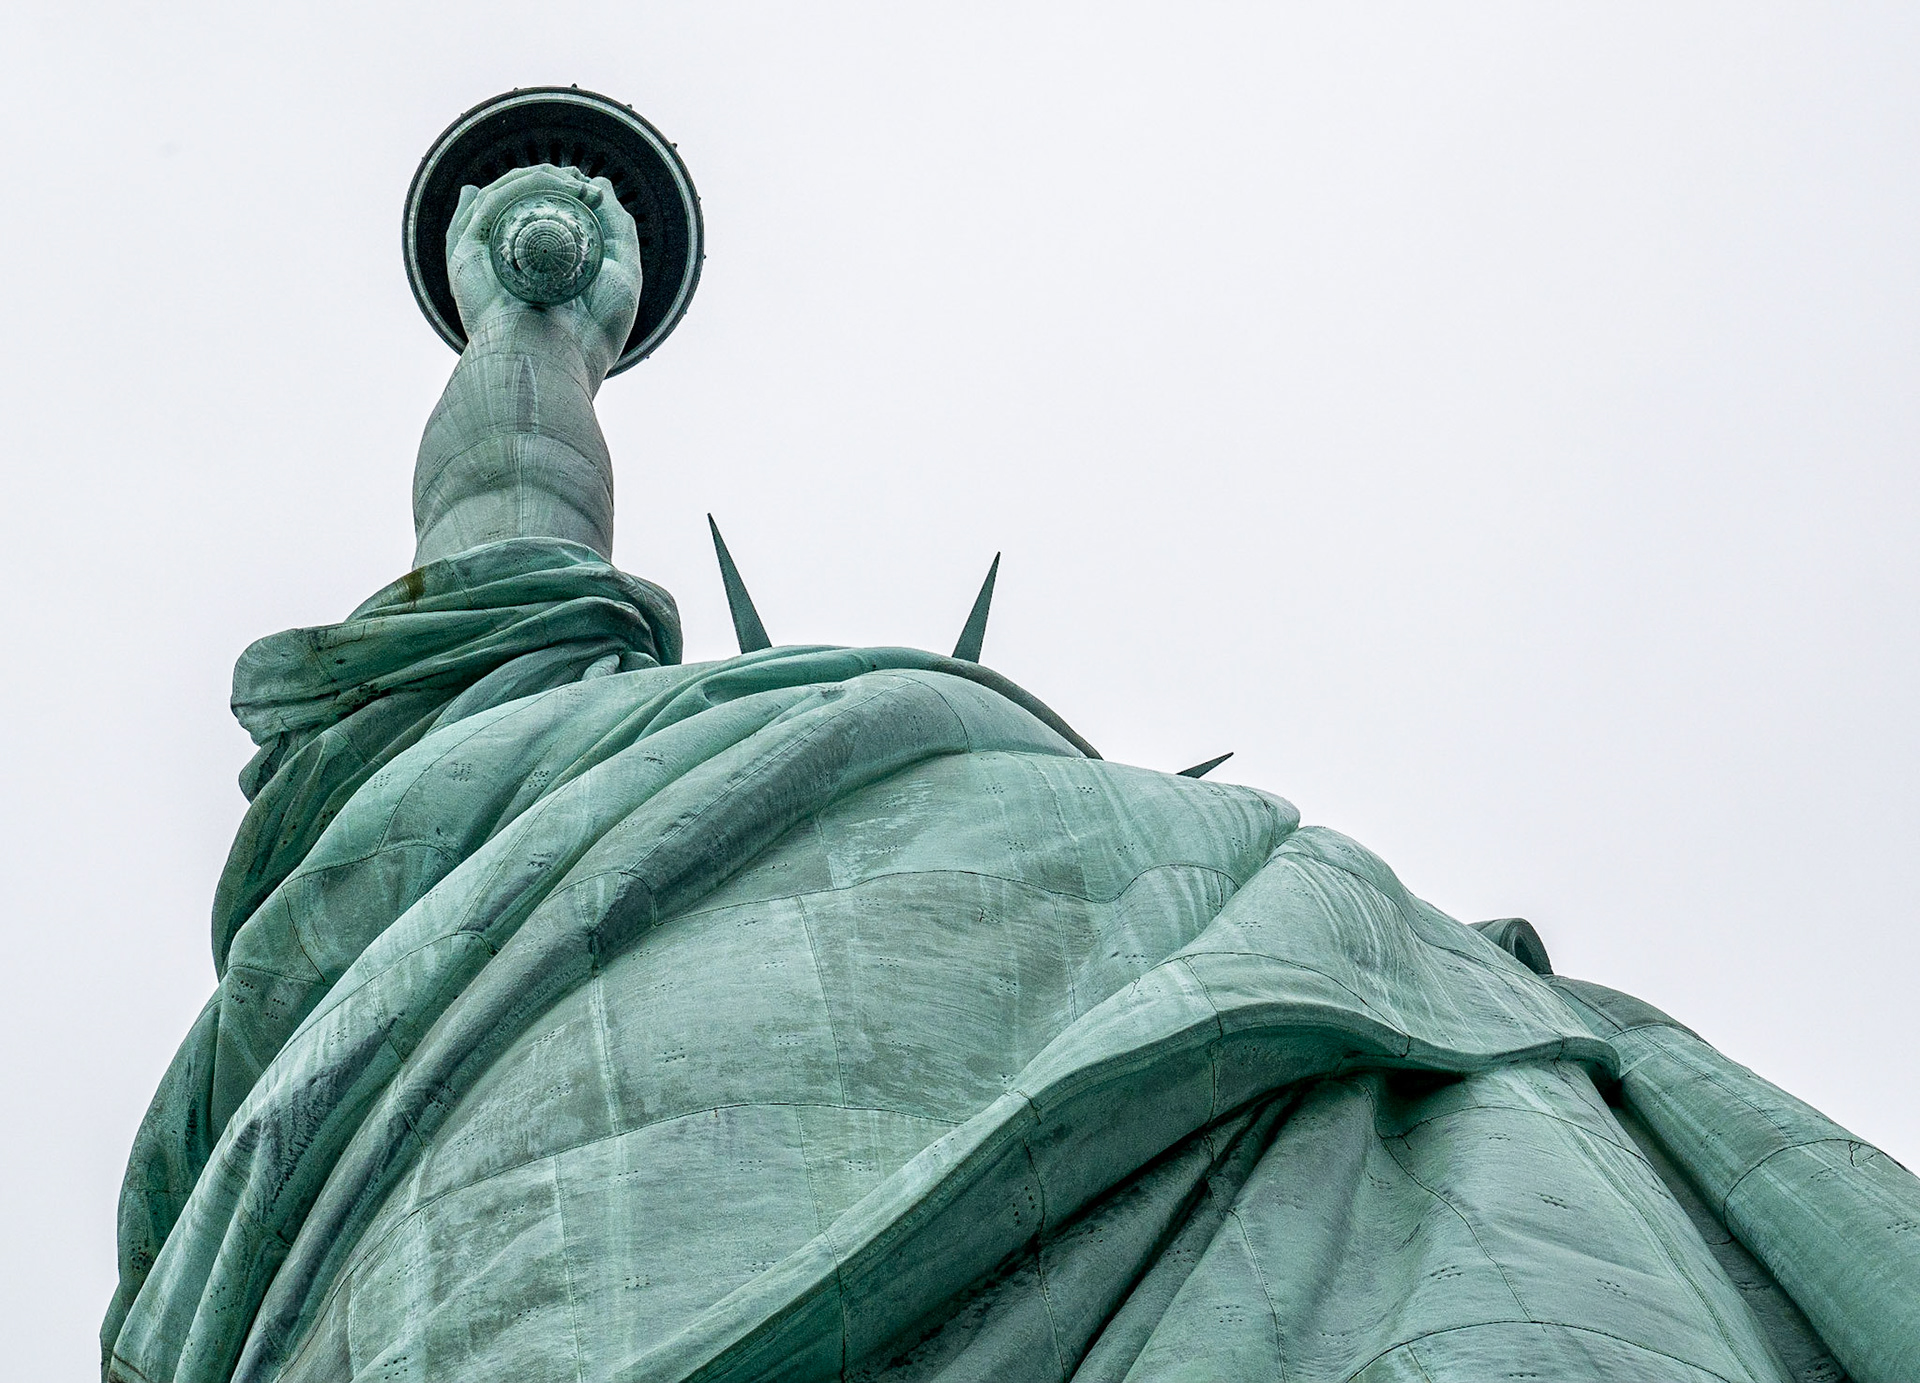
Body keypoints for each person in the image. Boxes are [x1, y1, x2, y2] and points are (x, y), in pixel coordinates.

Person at [105, 167, 1919, 1383]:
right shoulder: (572, 785)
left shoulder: (510, 776)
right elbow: (499, 544)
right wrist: (542, 316)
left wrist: (536, 313)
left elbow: (497, 542)